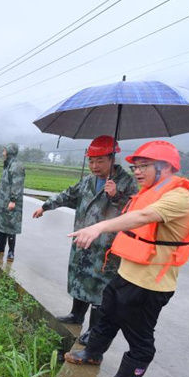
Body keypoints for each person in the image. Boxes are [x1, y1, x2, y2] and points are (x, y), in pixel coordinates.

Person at [64, 140, 189, 377]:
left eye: (144, 166)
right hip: (126, 273)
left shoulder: (180, 197)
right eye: (136, 166)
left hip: (150, 283)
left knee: (139, 335)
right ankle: (93, 353)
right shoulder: (148, 191)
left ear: (165, 167)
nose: (137, 172)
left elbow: (141, 217)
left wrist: (97, 228)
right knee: (106, 317)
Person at [33, 136, 138, 344]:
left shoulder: (126, 182)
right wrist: (45, 206)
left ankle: (94, 330)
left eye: (100, 161)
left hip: (105, 246)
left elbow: (135, 211)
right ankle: (76, 315)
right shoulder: (87, 181)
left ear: (112, 159)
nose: (94, 166)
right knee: (80, 278)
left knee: (100, 288)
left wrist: (117, 196)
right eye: (91, 161)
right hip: (82, 241)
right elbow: (67, 195)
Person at [0, 143, 26, 261]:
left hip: (11, 201)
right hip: (4, 201)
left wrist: (13, 200)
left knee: (10, 225)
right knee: (2, 223)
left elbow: (17, 184)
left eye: (4, 150)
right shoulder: (8, 165)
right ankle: (0, 248)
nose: (2, 153)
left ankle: (11, 251)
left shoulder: (16, 166)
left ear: (9, 151)